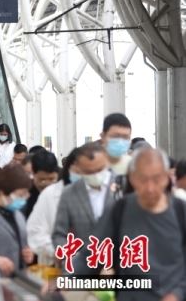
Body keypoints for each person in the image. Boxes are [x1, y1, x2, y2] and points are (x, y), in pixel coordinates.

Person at [74, 146, 186, 301]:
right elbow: (91, 255)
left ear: (167, 177)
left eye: (156, 179)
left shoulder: (181, 211)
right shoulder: (119, 210)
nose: (150, 188)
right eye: (143, 179)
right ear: (132, 178)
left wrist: (177, 294)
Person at [52, 142, 116, 272]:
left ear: (107, 162)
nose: (96, 175)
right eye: (89, 172)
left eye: (99, 169)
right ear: (79, 169)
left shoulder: (124, 186)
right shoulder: (69, 193)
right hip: (82, 268)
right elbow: (59, 233)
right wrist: (70, 257)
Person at [27, 147, 79, 265]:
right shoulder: (44, 195)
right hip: (51, 262)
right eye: (41, 179)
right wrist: (61, 251)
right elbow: (35, 232)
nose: (46, 183)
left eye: (51, 179)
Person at [99, 112, 133, 185]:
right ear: (103, 136)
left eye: (125, 137)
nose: (120, 142)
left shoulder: (133, 166)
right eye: (115, 136)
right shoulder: (90, 165)